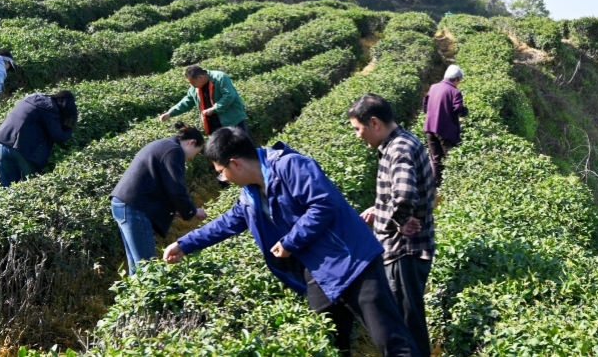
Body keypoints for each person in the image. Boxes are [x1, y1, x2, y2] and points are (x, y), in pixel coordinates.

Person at [162, 127, 419, 356]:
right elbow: (227, 222)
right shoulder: (250, 193)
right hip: (318, 273)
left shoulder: (290, 166)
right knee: (326, 342)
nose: (224, 179)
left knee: (391, 339)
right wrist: (184, 244)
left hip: (353, 261)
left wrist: (289, 243)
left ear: (235, 164)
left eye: (221, 173)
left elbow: (322, 204)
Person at [348, 93, 436, 357]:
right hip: (409, 250)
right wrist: (382, 208)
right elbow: (401, 192)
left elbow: (405, 193)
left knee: (407, 323)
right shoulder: (402, 142)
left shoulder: (398, 149)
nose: (357, 135)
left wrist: (397, 221)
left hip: (404, 251)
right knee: (408, 318)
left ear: (374, 123)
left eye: (358, 128)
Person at [110, 121, 207, 275]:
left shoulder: (165, 146)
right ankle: (147, 298)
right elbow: (176, 189)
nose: (191, 159)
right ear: (191, 142)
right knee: (147, 267)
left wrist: (177, 211)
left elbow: (159, 186)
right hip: (134, 208)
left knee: (137, 266)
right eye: (195, 154)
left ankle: (136, 297)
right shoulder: (173, 150)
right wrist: (192, 211)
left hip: (124, 205)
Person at [0, 90, 77, 187]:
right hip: (23, 150)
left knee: (9, 190)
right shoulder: (50, 109)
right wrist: (69, 128)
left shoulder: (30, 98)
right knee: (29, 188)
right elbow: (58, 137)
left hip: (1, 144)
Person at [159, 65, 247, 135]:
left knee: (242, 148)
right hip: (212, 124)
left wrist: (214, 109)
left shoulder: (220, 77)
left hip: (232, 120)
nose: (192, 85)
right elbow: (187, 101)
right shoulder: (195, 88)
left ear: (200, 77)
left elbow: (229, 95)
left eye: (193, 83)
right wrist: (170, 113)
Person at [423, 64, 468, 187]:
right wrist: (465, 111)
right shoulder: (454, 92)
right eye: (459, 81)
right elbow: (458, 109)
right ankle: (451, 186)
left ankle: (436, 186)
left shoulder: (433, 87)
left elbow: (424, 107)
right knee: (451, 158)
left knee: (436, 158)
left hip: (429, 129)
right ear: (456, 79)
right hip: (444, 131)